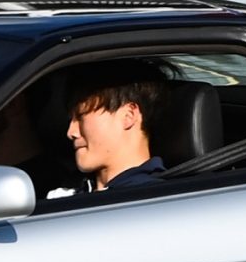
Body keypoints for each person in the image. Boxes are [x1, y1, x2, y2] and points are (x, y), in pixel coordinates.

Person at [62, 60, 169, 198]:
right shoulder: (70, 191)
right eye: (70, 119)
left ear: (128, 116)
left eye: (81, 117)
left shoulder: (151, 201)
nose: (71, 133)